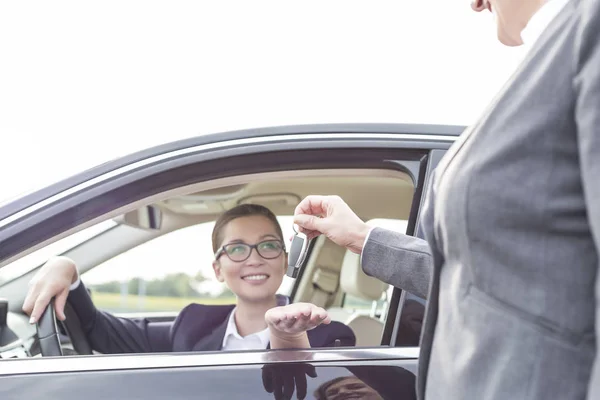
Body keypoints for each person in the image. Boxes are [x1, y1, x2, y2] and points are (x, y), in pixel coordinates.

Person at [293, 0, 600, 398]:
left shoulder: (589, 31)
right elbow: (483, 276)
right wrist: (363, 237)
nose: (474, 4)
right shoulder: (546, 58)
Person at [23, 204, 355, 353]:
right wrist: (66, 268)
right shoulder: (193, 323)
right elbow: (103, 334)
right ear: (217, 270)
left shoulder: (328, 334)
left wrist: (290, 339)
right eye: (237, 249)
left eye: (268, 246)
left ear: (284, 260)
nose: (254, 257)